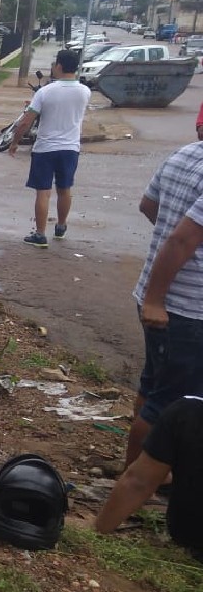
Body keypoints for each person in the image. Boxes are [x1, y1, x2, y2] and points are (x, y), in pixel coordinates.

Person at [124, 139, 203, 470]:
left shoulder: (187, 153)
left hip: (159, 301)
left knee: (154, 386)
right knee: (168, 401)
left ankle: (136, 473)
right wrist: (157, 300)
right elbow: (181, 239)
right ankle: (138, 483)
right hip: (185, 309)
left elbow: (148, 204)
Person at [95, 396, 203, 563]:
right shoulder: (188, 412)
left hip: (187, 539)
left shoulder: (187, 411)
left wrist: (96, 534)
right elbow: (138, 482)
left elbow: (138, 482)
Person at [8, 49, 91, 248]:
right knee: (64, 189)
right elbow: (66, 109)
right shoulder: (84, 91)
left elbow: (27, 121)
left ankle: (40, 234)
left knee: (43, 192)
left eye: (55, 64)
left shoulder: (45, 92)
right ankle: (61, 227)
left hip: (45, 148)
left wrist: (14, 142)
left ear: (59, 66)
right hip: (70, 148)